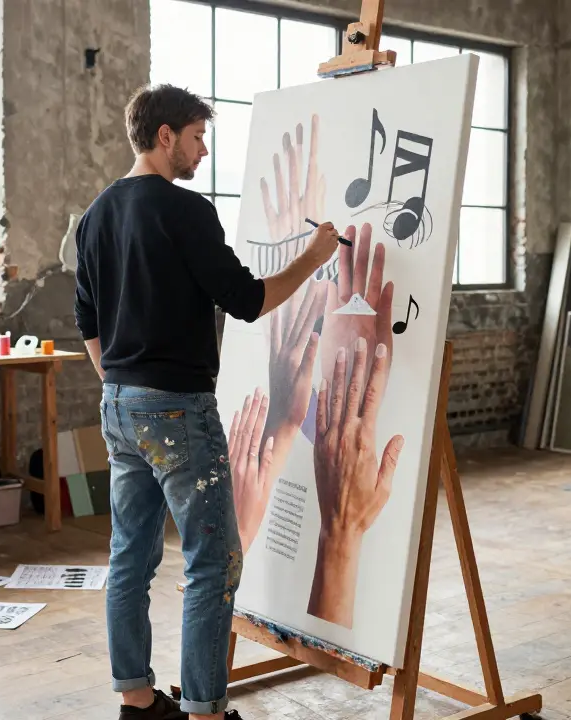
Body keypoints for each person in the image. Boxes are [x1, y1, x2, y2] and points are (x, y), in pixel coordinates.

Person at [73, 84, 340, 720]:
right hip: (175, 408)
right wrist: (315, 256)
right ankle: (204, 712)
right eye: (196, 136)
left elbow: (85, 315)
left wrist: (118, 384)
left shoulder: (95, 214)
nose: (203, 149)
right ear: (164, 136)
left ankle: (137, 701)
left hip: (119, 404)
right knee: (212, 563)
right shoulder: (184, 211)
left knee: (129, 557)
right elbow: (247, 300)